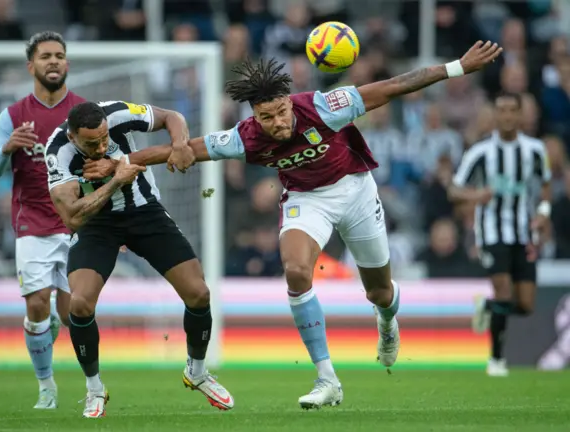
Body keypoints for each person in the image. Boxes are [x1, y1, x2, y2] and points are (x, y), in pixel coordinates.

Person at [83, 40, 503, 409]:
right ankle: (326, 379)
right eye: (268, 117)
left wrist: (456, 68)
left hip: (355, 190)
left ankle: (387, 320)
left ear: (289, 102)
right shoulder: (244, 137)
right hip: (306, 200)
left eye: (281, 113)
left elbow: (393, 86)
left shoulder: (323, 106)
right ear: (256, 115)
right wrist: (125, 162)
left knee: (379, 289)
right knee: (297, 271)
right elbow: (191, 147)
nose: (278, 123)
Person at [45, 100, 232, 418]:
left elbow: (173, 117)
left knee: (199, 293)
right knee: (80, 304)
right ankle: (94, 389)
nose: (102, 146)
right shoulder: (57, 152)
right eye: (93, 143)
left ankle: (197, 372)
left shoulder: (116, 112)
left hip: (145, 212)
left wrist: (180, 144)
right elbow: (72, 218)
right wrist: (118, 177)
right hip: (96, 225)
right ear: (73, 136)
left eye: (105, 138)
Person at [0, 31, 86, 409]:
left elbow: (104, 169)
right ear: (32, 66)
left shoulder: (85, 113)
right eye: (45, 56)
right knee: (37, 304)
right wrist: (7, 148)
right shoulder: (13, 117)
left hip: (77, 223)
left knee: (75, 312)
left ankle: (90, 383)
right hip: (33, 225)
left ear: (67, 63)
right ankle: (47, 387)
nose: (53, 61)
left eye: (59, 55)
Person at [449, 91, 552, 377]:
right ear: (494, 115)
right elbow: (454, 189)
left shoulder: (534, 150)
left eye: (512, 110)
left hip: (523, 232)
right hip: (492, 232)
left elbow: (544, 186)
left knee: (525, 304)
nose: (507, 116)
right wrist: (476, 194)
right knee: (504, 291)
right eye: (502, 110)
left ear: (520, 115)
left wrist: (543, 213)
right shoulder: (480, 152)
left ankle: (489, 306)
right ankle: (496, 360)